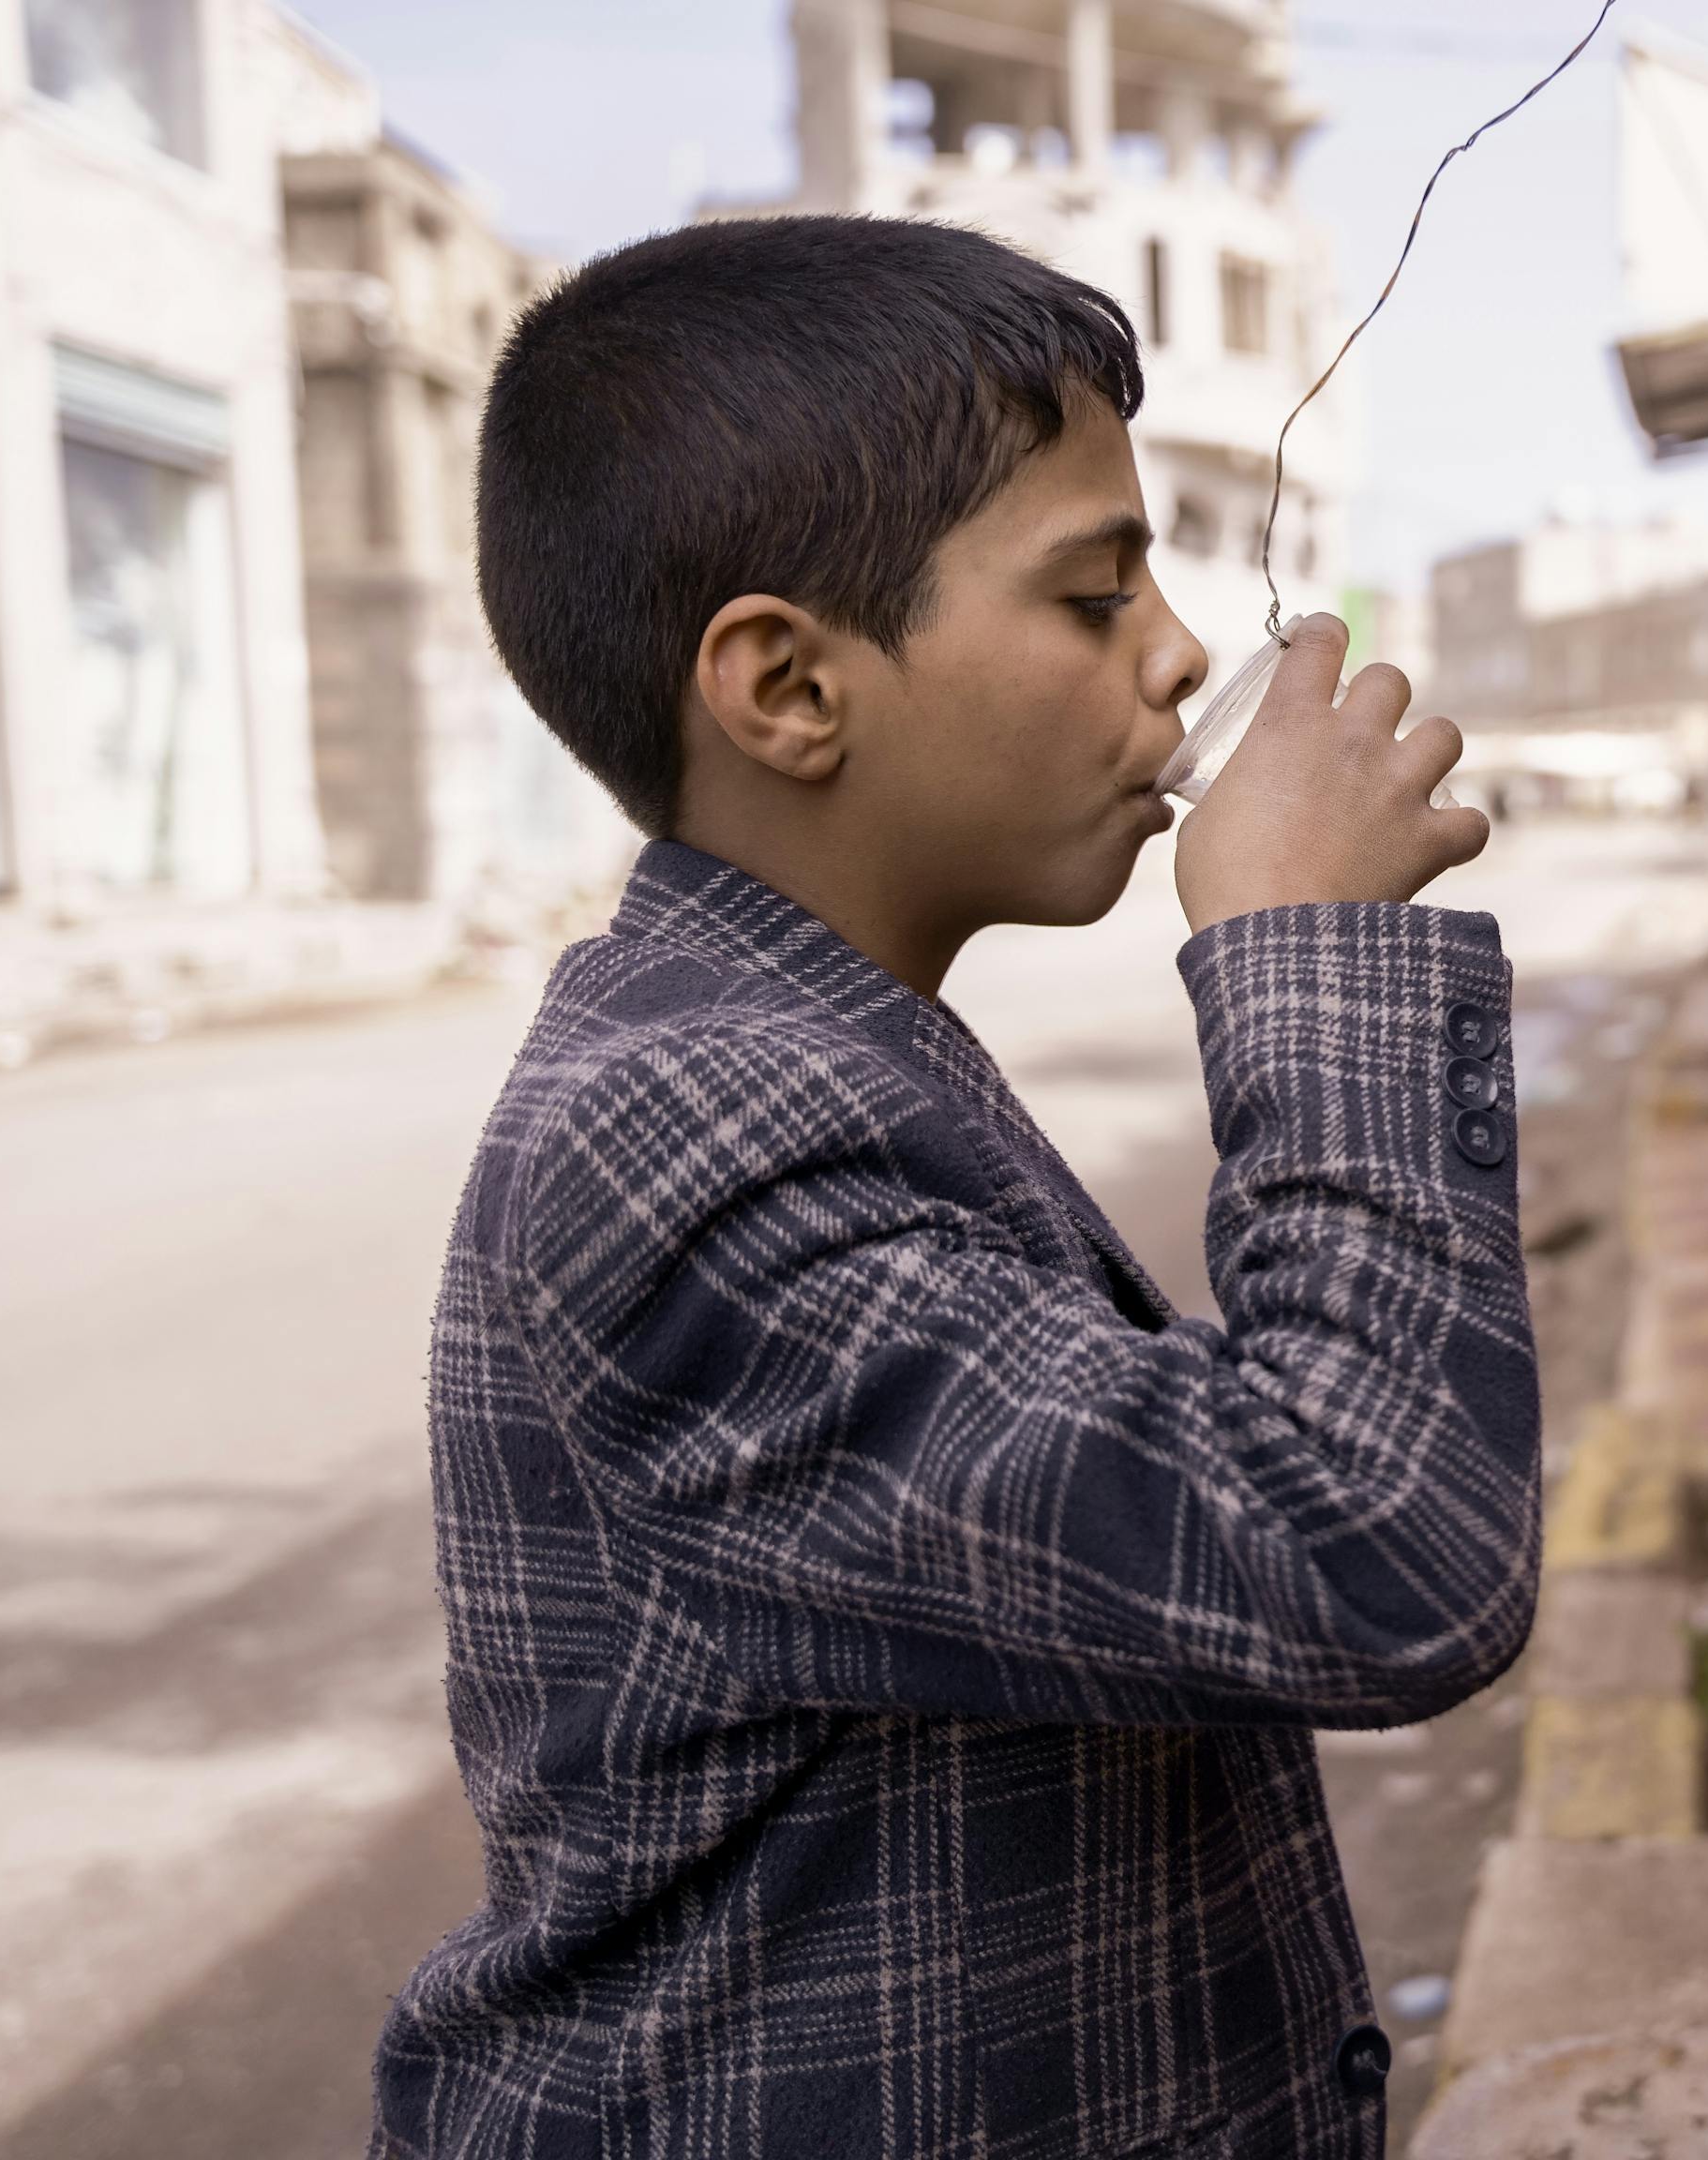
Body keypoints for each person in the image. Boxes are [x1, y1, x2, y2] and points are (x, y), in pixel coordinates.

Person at [369, 217, 1536, 2159]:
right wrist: (1303, 951)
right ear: (789, 689)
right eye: (1093, 594)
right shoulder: (693, 1145)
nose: (1178, 654)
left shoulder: (804, 1052)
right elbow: (1372, 1546)